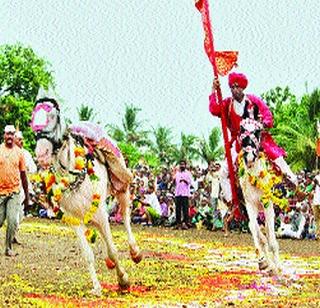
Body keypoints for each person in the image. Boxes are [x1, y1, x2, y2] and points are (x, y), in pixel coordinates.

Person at [209, 72, 297, 206]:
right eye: (232, 87)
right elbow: (214, 109)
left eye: (237, 86)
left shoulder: (254, 100)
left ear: (243, 87)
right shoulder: (227, 104)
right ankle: (233, 203)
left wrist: (262, 124)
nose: (234, 89)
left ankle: (295, 186)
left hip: (257, 140)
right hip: (238, 143)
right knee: (223, 173)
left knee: (277, 158)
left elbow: (268, 116)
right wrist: (213, 89)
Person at [0, 125, 29, 256]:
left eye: (12, 134)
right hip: (0, 192)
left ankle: (8, 248)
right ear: (4, 135)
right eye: (8, 134)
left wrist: (27, 197)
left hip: (14, 192)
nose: (10, 136)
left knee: (12, 220)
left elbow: (23, 175)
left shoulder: (19, 152)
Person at [13, 131, 37, 243]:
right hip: (7, 186)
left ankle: (13, 234)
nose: (21, 141)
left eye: (22, 139)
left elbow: (33, 169)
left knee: (20, 211)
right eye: (19, 139)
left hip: (22, 187)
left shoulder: (26, 154)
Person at [173, 160, 193, 230]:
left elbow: (190, 182)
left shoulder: (188, 173)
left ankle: (185, 223)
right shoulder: (177, 173)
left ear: (185, 165)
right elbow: (174, 181)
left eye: (183, 164)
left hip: (185, 194)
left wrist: (185, 180)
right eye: (181, 164)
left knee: (185, 209)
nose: (182, 166)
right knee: (177, 209)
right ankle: (178, 224)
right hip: (178, 193)